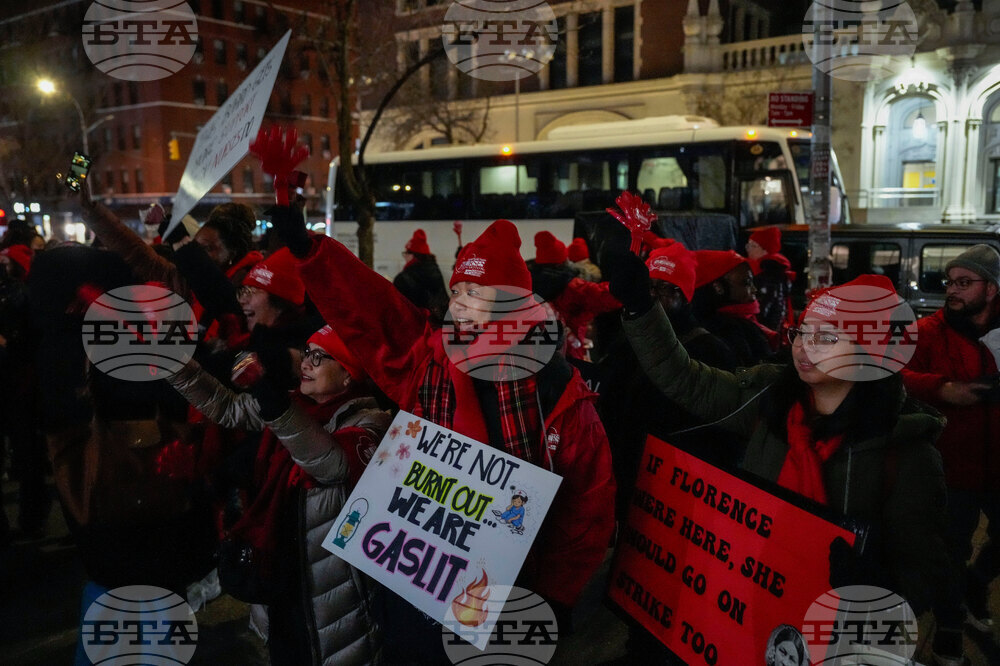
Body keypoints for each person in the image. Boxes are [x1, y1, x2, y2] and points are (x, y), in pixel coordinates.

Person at [271, 209, 615, 659]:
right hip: (415, 583)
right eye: (456, 291)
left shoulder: (557, 392)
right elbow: (371, 309)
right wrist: (309, 250)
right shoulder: (426, 360)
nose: (460, 302)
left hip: (504, 594)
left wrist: (552, 594)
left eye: (476, 290)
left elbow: (586, 503)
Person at [607, 248, 949, 618]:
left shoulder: (908, 456)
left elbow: (922, 575)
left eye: (827, 338)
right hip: (744, 606)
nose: (803, 346)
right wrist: (642, 308)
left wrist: (873, 589)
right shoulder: (769, 399)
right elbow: (687, 379)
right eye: (802, 331)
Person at [167, 324, 388, 665]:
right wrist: (174, 363)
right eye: (307, 351)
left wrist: (269, 397)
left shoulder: (369, 424)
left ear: (348, 376)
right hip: (280, 580)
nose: (307, 362)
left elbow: (329, 463)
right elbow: (226, 407)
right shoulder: (295, 404)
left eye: (321, 356)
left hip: (330, 596)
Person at [901, 244, 1000, 662]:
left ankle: (978, 583)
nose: (953, 291)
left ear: (991, 289)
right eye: (950, 282)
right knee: (950, 554)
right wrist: (941, 388)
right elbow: (893, 375)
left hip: (997, 463)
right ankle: (949, 629)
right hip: (952, 469)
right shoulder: (925, 332)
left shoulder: (995, 336)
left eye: (964, 282)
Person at [530, 231, 621, 361]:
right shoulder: (574, 287)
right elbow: (606, 296)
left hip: (539, 354)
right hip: (570, 353)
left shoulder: (528, 284)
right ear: (563, 261)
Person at [692, 249, 776, 365]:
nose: (754, 289)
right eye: (746, 283)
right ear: (718, 287)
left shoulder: (742, 321)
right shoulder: (726, 330)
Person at [392, 229, 449, 323]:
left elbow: (397, 308)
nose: (405, 256)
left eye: (406, 253)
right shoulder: (435, 270)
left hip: (416, 326)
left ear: (413, 255)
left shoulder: (403, 279)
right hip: (440, 323)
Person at [746, 226, 796, 333]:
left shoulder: (768, 273)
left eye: (753, 246)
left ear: (765, 250)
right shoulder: (776, 270)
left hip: (767, 330)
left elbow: (764, 309)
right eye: (748, 245)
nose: (748, 249)